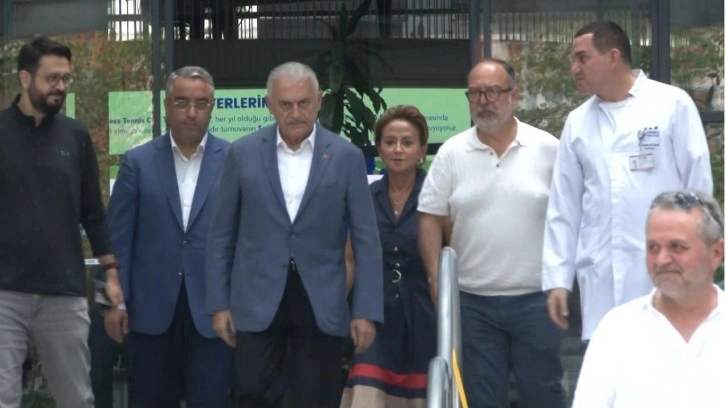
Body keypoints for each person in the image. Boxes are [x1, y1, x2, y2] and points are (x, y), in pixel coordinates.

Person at [205, 61, 383, 408]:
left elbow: (366, 239)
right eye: (286, 104)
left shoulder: (346, 157)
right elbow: (221, 234)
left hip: (320, 302)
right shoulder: (242, 153)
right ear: (269, 104)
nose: (296, 113)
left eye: (304, 102)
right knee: (252, 394)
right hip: (256, 300)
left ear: (319, 101)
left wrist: (366, 311)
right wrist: (219, 304)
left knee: (317, 397)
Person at [542, 20, 714, 341]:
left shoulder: (670, 105)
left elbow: (698, 188)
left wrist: (699, 257)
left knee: (664, 353)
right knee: (608, 361)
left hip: (665, 270)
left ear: (612, 57)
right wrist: (557, 279)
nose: (574, 68)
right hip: (601, 275)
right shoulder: (577, 123)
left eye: (582, 58)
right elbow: (563, 207)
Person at [418, 59, 564, 407]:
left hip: (536, 299)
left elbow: (569, 217)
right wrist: (436, 279)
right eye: (475, 93)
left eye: (493, 92)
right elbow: (429, 218)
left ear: (514, 95)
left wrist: (563, 279)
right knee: (482, 399)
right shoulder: (451, 153)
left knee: (543, 394)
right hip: (473, 303)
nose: (483, 101)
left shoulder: (548, 149)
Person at [0, 37, 122, 407]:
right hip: (4, 294)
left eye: (66, 79)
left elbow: (93, 211)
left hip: (63, 294)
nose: (61, 87)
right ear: (25, 78)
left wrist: (111, 274)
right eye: (52, 78)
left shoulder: (76, 136)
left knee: (76, 399)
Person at [105, 66, 234, 407]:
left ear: (212, 107)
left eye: (201, 104)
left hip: (214, 314)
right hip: (150, 313)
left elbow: (247, 240)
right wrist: (113, 303)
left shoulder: (234, 161)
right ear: (166, 105)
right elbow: (116, 242)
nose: (191, 112)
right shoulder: (137, 163)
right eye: (182, 102)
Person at [572, 190, 726, 407]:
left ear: (716, 253)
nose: (661, 260)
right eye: (653, 247)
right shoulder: (617, 329)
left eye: (677, 247)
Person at [341, 105, 436, 407]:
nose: (398, 150)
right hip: (375, 320)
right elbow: (350, 259)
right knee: (367, 395)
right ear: (379, 147)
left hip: (425, 320)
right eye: (390, 142)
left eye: (407, 143)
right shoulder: (365, 197)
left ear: (422, 150)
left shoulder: (436, 198)